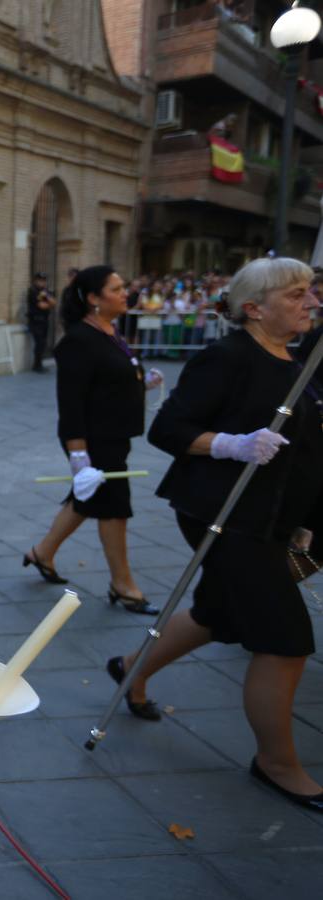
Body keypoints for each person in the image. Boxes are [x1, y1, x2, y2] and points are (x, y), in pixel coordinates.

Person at [114, 257, 323, 812]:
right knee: (285, 640)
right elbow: (168, 428)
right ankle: (276, 761)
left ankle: (129, 671)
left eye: (311, 292)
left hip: (273, 519)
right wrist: (233, 443)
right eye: (298, 295)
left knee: (219, 614)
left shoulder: (299, 359)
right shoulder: (227, 356)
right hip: (227, 516)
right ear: (254, 308)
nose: (312, 303)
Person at [23, 265, 163, 614]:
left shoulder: (110, 331)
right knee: (115, 509)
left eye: (123, 286)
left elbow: (109, 378)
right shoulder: (78, 341)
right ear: (93, 299)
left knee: (86, 497)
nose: (125, 293)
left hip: (114, 435)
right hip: (93, 439)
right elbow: (70, 403)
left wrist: (141, 382)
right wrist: (78, 456)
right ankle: (123, 584)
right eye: (116, 288)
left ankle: (42, 553)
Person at [26, 271, 56, 372]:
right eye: (40, 280)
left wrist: (46, 297)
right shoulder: (32, 291)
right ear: (36, 281)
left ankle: (39, 364)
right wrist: (48, 303)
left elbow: (54, 303)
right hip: (35, 321)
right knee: (39, 343)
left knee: (43, 343)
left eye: (44, 281)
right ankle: (37, 365)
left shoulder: (46, 291)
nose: (42, 283)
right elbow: (41, 306)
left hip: (44, 321)